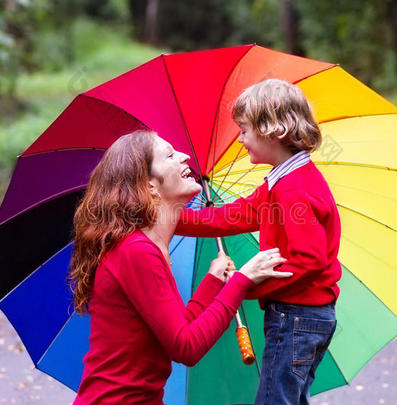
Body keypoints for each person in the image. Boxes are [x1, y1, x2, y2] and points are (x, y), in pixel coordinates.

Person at [68, 130, 292, 405]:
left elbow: (178, 329)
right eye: (171, 155)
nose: (185, 157)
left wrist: (213, 281)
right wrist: (241, 281)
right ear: (149, 185)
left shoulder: (145, 247)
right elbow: (186, 348)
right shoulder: (136, 251)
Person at [176, 79, 342, 404]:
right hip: (300, 315)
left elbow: (308, 260)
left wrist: (247, 288)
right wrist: (170, 220)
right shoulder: (281, 182)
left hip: (296, 317)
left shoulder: (293, 189)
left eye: (244, 130)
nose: (240, 139)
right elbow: (232, 216)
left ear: (272, 130)